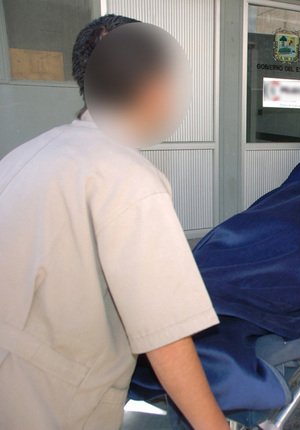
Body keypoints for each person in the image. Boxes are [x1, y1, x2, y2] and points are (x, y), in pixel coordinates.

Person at [0, 15, 229, 429]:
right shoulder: (128, 179)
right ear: (157, 83)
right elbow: (167, 336)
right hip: (50, 401)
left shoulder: (28, 152)